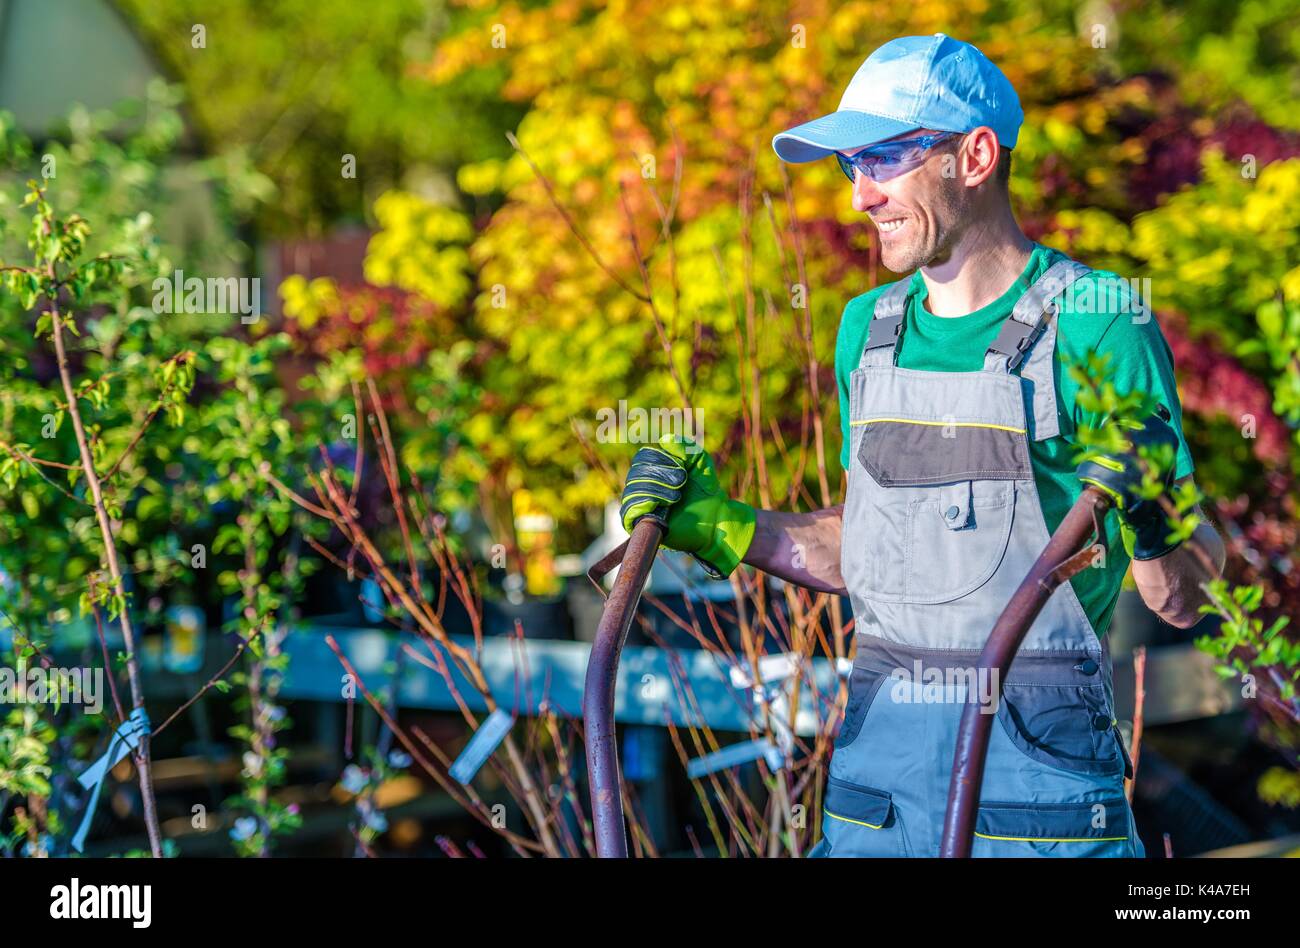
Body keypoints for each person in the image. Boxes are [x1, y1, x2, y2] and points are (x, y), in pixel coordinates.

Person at [618, 33, 1225, 857]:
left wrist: (1153, 518)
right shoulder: (867, 329)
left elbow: (1185, 597)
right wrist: (721, 523)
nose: (860, 196)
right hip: (878, 796)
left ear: (974, 156)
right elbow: (872, 552)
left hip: (1034, 805)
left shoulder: (1100, 320)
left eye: (886, 159)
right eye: (849, 167)